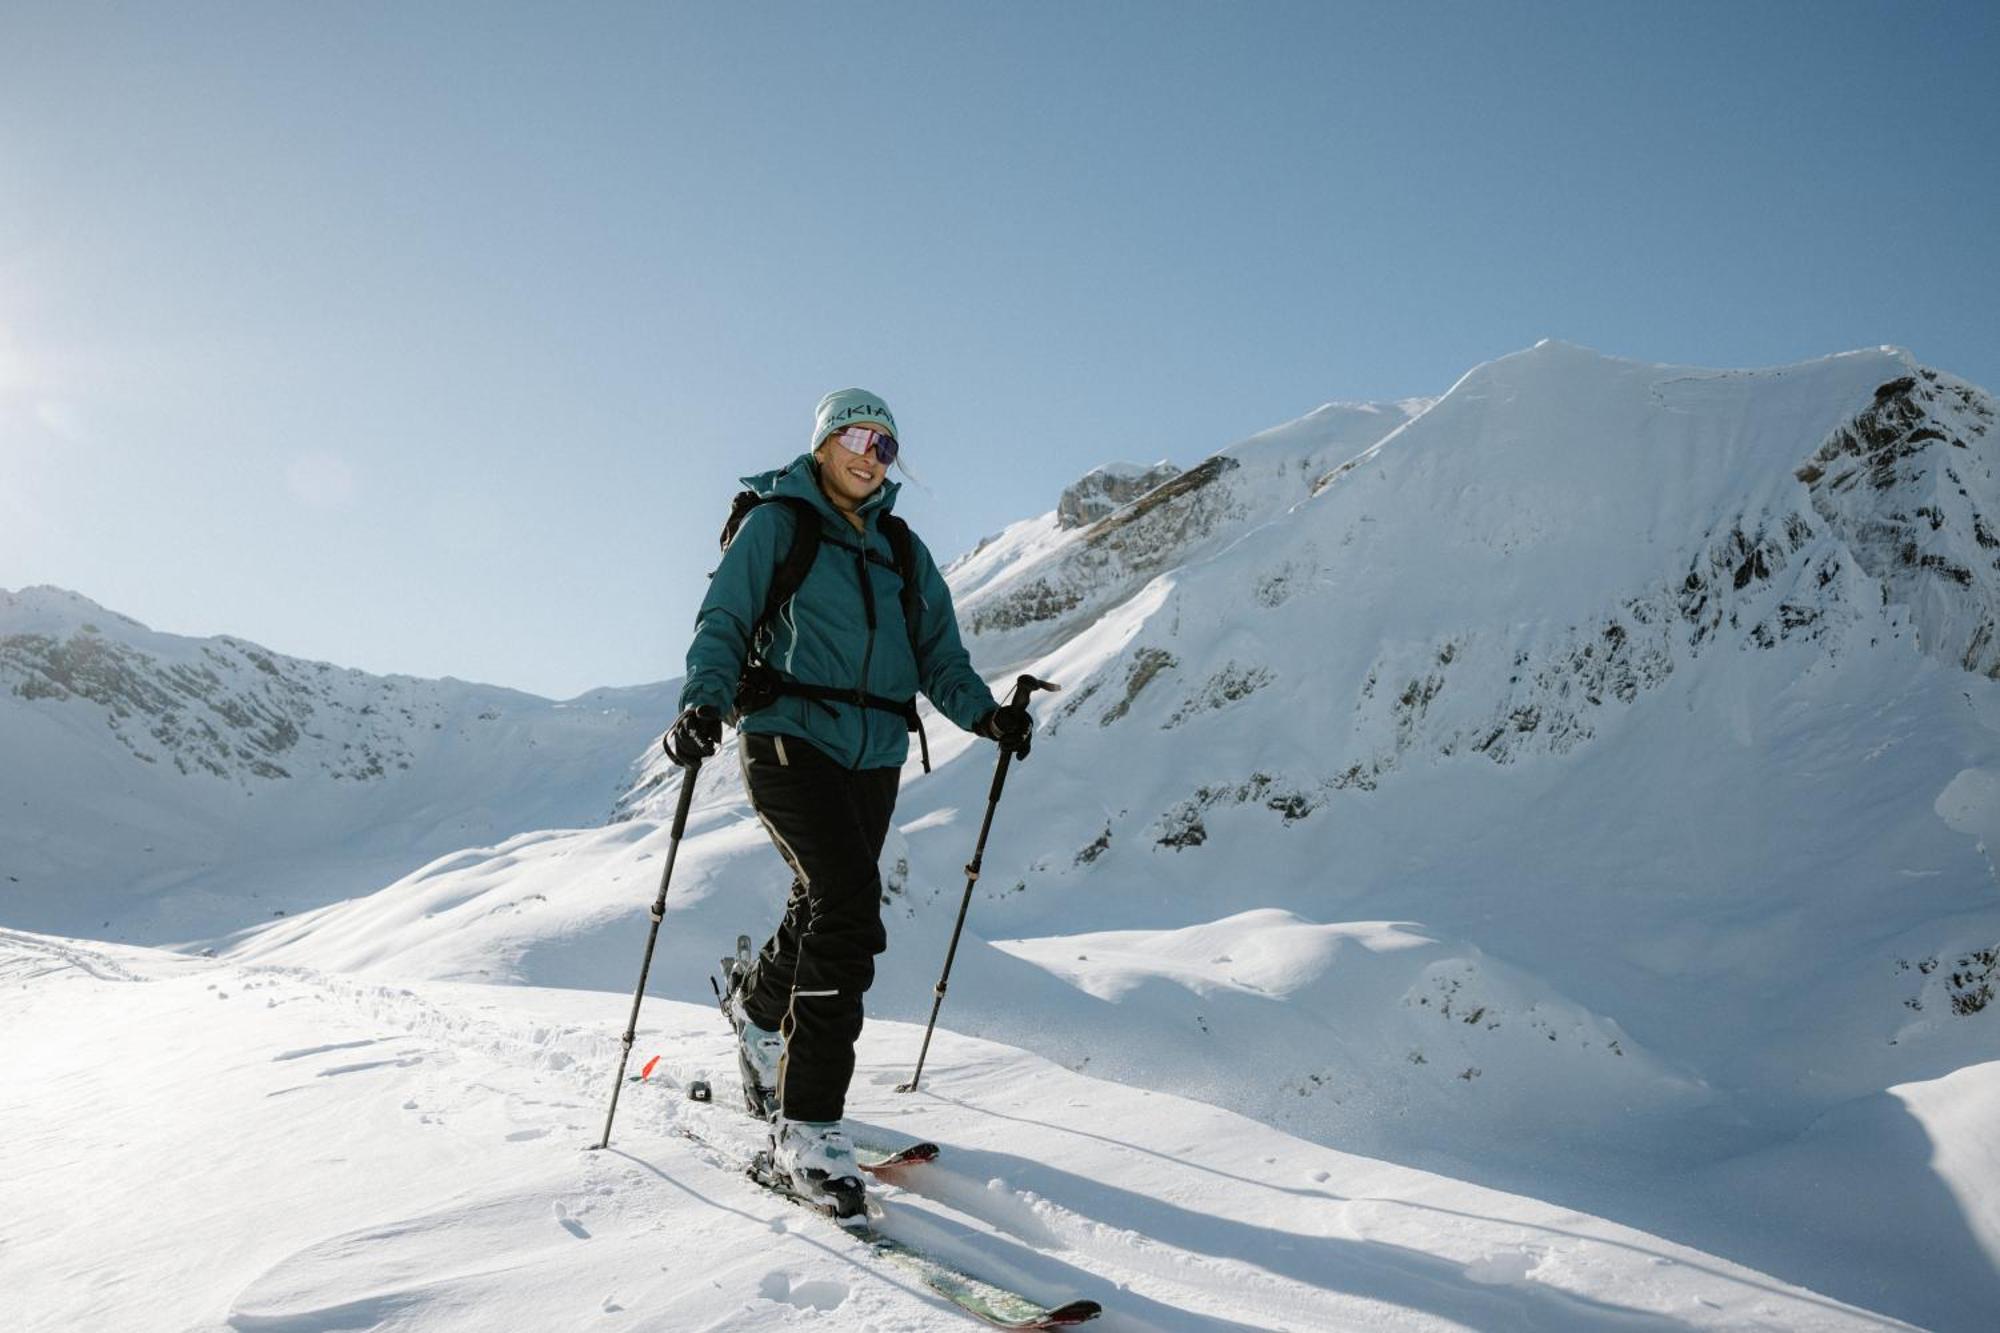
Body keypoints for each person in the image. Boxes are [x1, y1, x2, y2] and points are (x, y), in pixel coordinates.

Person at [665, 387, 1033, 1215]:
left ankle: (759, 1019)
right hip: (788, 737)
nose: (872, 455)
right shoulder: (778, 523)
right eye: (860, 437)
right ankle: (807, 1124)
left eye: (888, 446)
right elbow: (723, 618)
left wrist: (988, 715)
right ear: (826, 441)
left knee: (821, 901)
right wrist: (704, 703)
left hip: (874, 755)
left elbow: (940, 656)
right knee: (849, 905)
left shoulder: (902, 551)